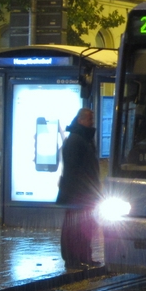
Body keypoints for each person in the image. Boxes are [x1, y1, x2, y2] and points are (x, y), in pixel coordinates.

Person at [56, 108, 101, 269]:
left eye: (92, 119)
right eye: (89, 119)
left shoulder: (82, 138)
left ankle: (83, 256)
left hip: (82, 192)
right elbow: (75, 169)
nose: (92, 122)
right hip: (78, 193)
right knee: (75, 228)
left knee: (84, 226)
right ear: (81, 120)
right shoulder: (77, 139)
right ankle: (73, 258)